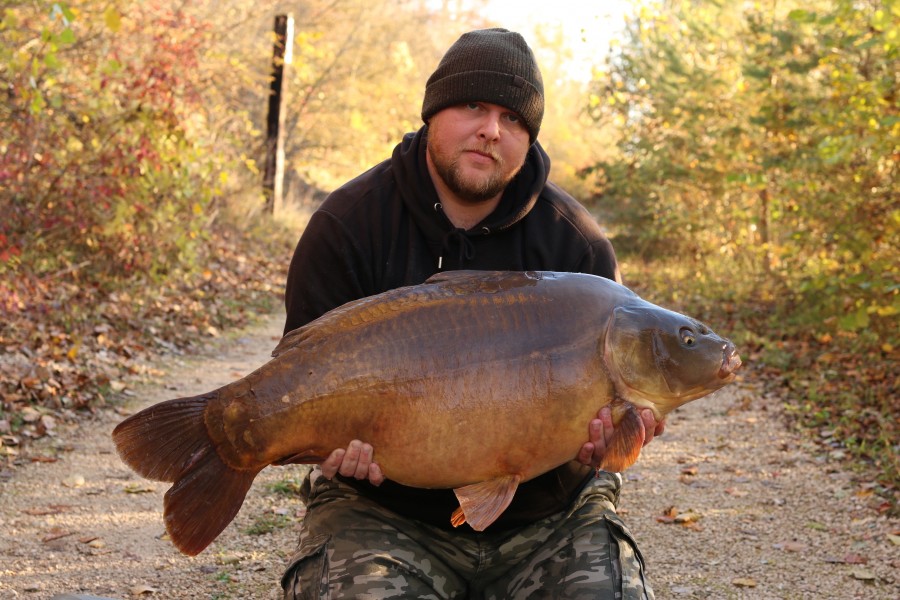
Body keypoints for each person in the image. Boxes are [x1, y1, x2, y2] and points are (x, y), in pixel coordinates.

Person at [280, 28, 663, 599]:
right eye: (473, 106)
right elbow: (298, 370)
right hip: (381, 511)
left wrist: (615, 439)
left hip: (548, 518)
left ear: (529, 139)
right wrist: (328, 447)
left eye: (513, 119)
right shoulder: (349, 226)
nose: (491, 129)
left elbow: (621, 427)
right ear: (434, 112)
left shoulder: (575, 246)